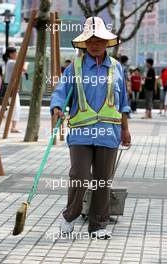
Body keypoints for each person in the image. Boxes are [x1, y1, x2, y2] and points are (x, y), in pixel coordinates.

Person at [50, 16, 131, 239]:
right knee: (80, 176)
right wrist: (57, 107)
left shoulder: (116, 68)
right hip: (81, 134)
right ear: (85, 43)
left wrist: (125, 129)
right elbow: (60, 91)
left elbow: (123, 101)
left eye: (100, 40)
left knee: (103, 180)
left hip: (109, 133)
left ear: (107, 42)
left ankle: (98, 226)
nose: (95, 44)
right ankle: (70, 215)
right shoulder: (73, 68)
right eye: (91, 40)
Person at [4, 47, 21, 133]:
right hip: (11, 88)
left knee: (14, 107)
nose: (17, 55)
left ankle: (13, 127)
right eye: (15, 53)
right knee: (15, 107)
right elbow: (23, 67)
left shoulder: (10, 62)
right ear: (11, 54)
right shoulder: (11, 62)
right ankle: (12, 127)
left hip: (11, 87)